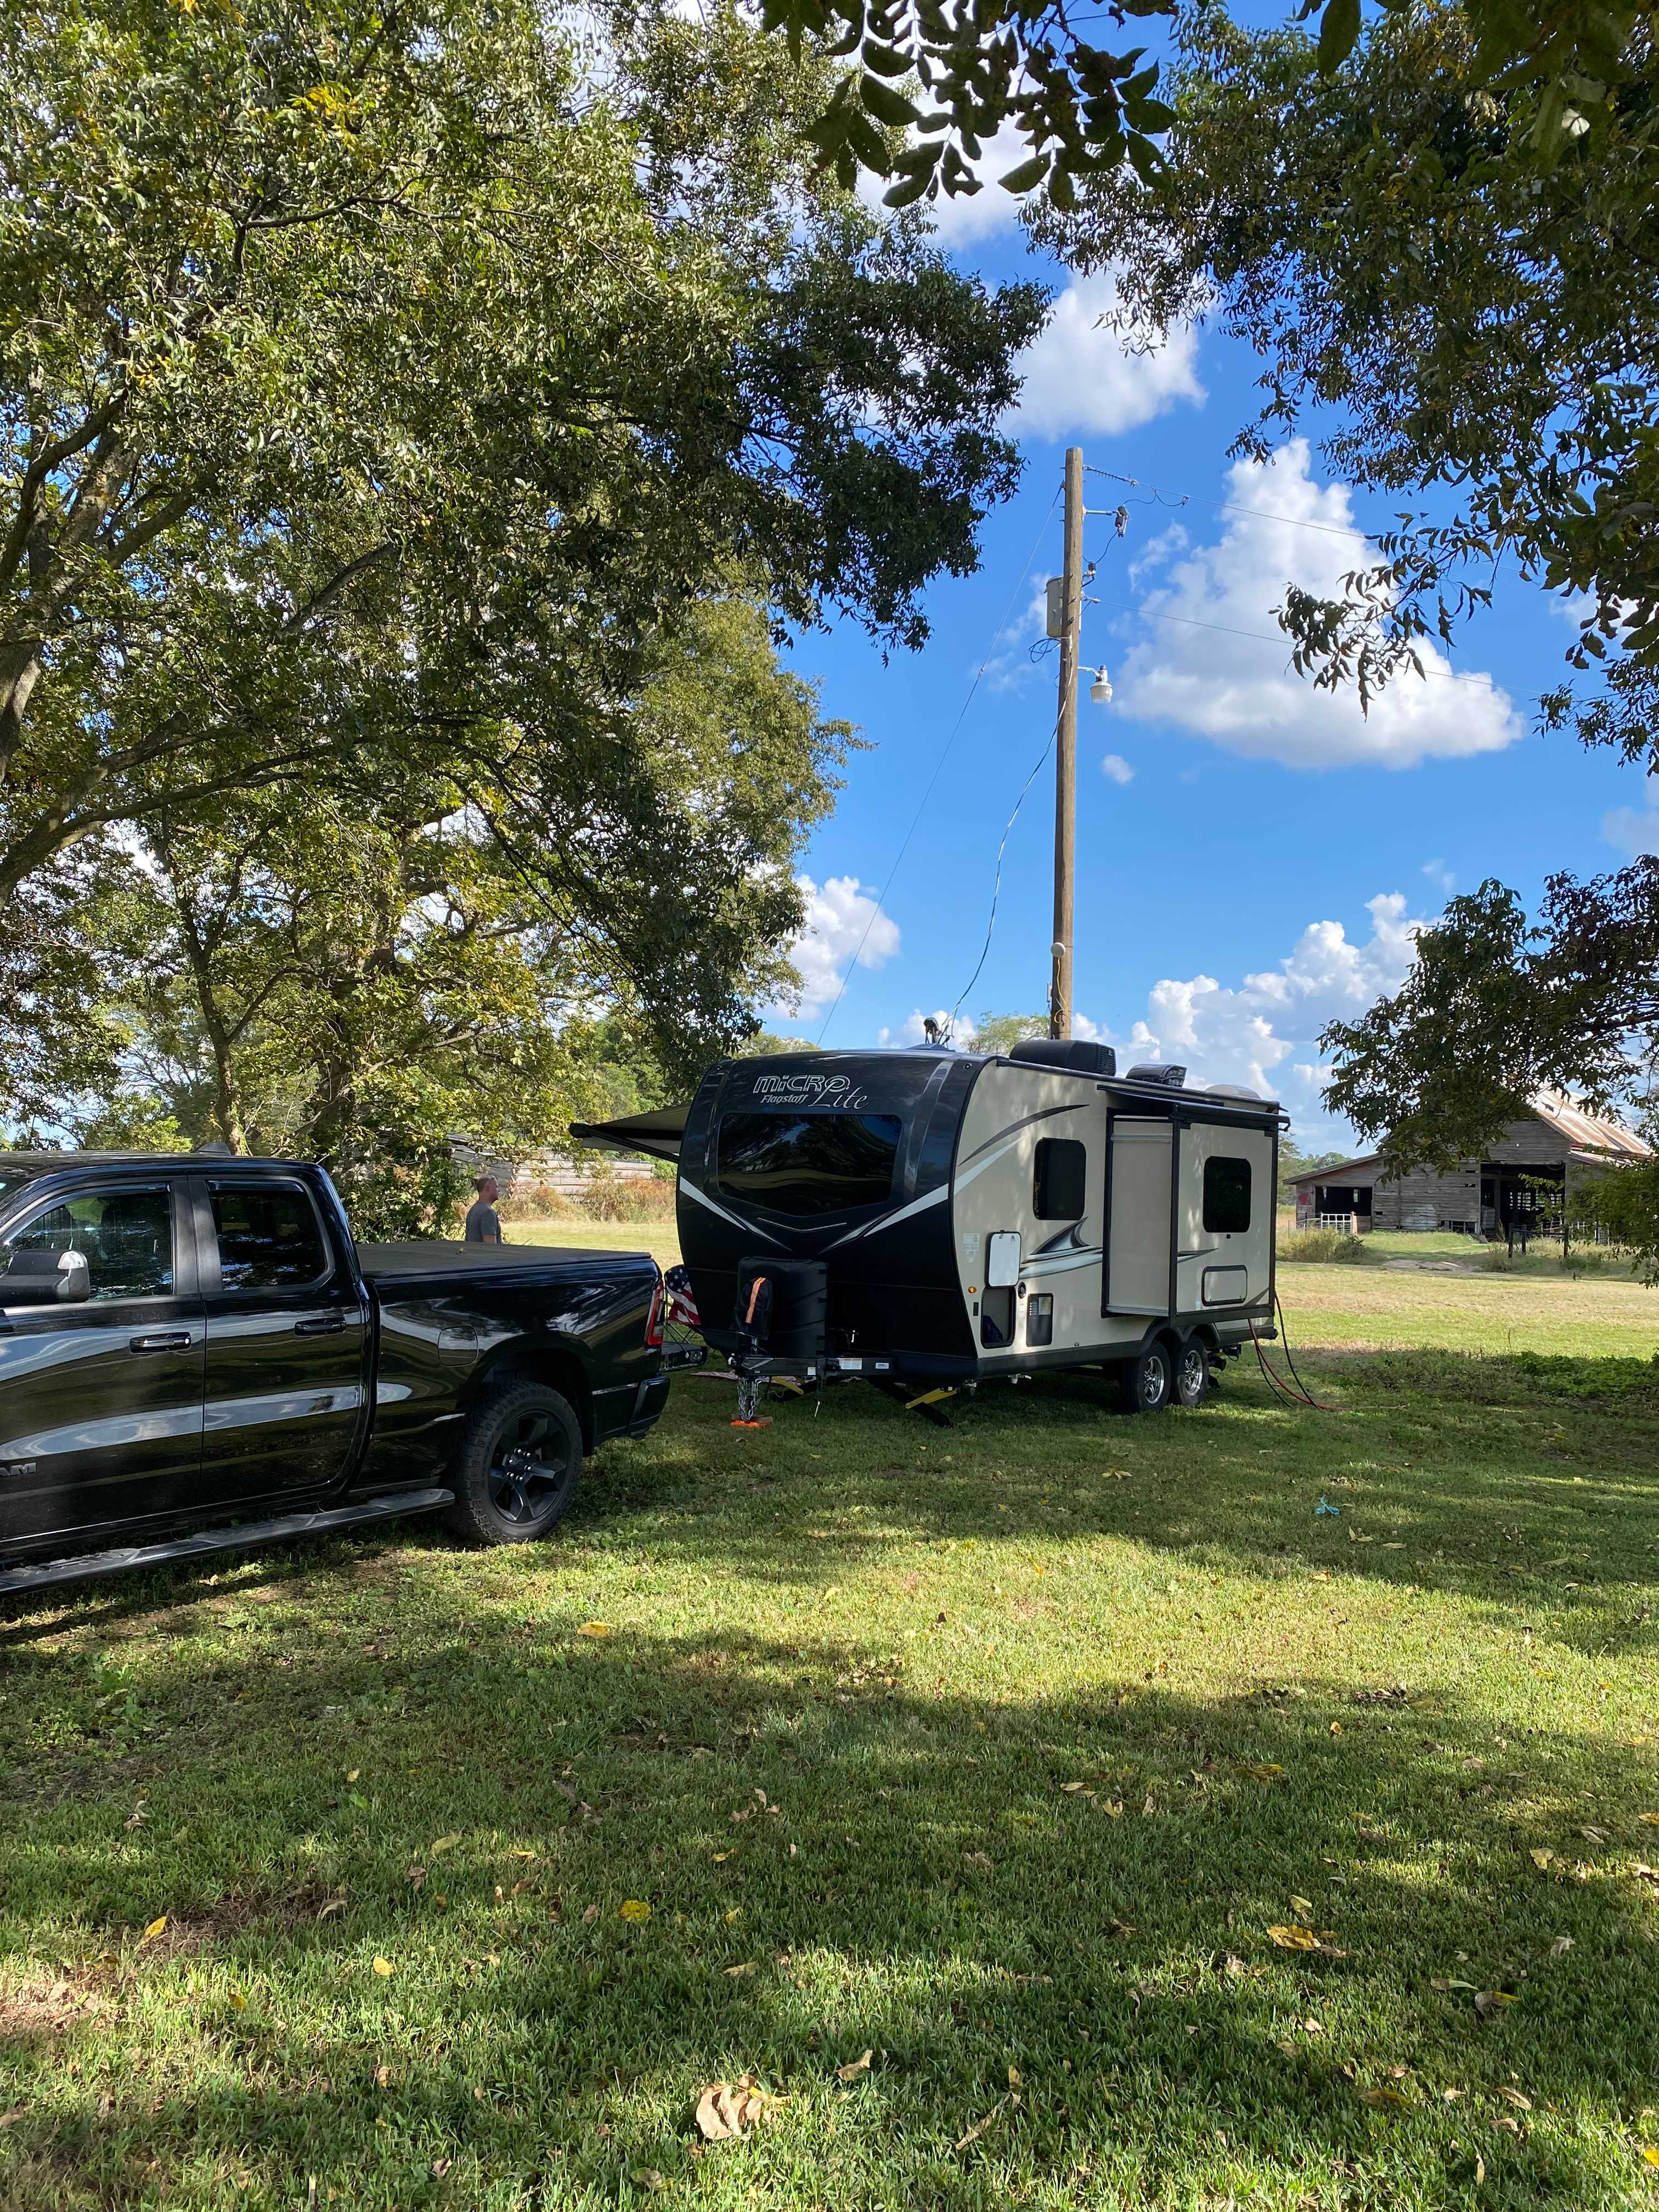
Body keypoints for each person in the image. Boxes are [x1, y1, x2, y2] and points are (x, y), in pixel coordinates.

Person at [463, 1172, 504, 1244]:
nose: (499, 1190)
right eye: (496, 1187)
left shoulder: (474, 1209)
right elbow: (491, 1247)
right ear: (487, 1189)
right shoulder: (488, 1213)